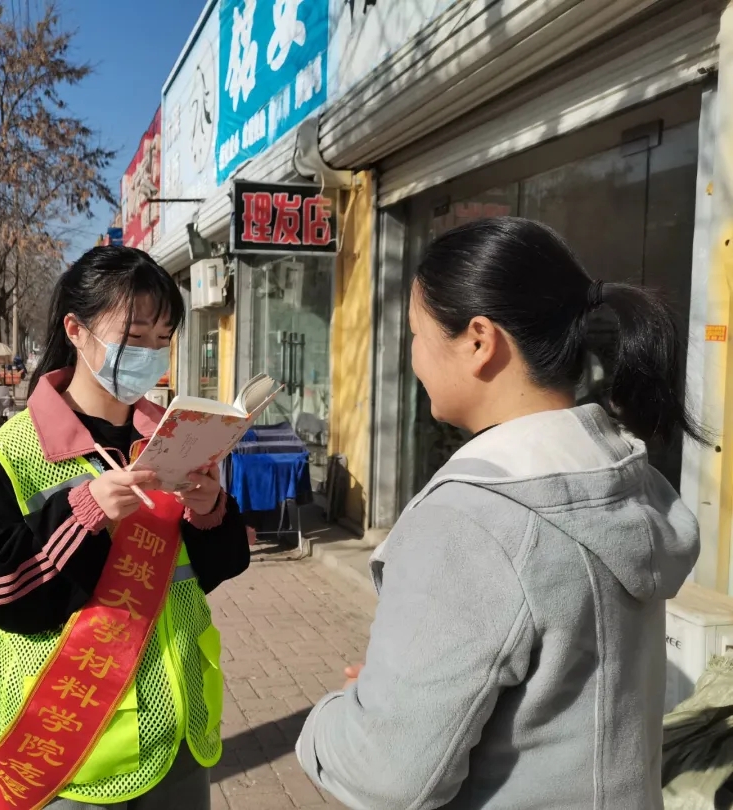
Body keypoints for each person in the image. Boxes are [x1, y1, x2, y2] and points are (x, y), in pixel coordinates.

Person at [297, 217, 701, 809]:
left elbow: (386, 774)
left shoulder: (473, 521)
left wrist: (335, 718)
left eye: (416, 334)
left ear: (479, 341)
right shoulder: (622, 481)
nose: (413, 357)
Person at [0, 245, 250, 810]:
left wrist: (210, 512)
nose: (151, 355)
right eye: (135, 336)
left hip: (178, 733)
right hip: (72, 749)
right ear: (76, 331)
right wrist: (83, 515)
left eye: (163, 338)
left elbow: (204, 574)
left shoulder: (173, 435)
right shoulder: (17, 450)